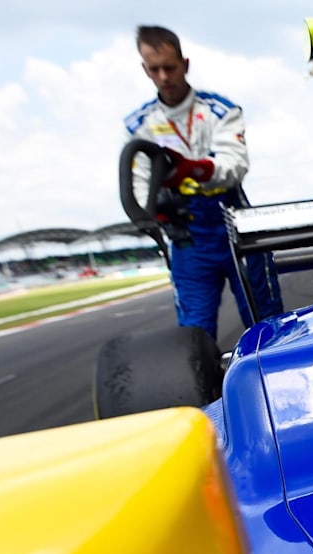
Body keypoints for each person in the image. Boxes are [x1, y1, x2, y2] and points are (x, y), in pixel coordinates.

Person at [124, 25, 282, 340]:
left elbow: (235, 165)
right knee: (194, 336)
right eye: (155, 69)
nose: (164, 76)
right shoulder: (139, 125)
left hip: (233, 223)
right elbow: (140, 185)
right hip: (187, 237)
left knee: (267, 324)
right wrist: (154, 213)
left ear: (185, 64)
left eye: (169, 67)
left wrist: (193, 170)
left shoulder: (220, 110)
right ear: (145, 70)